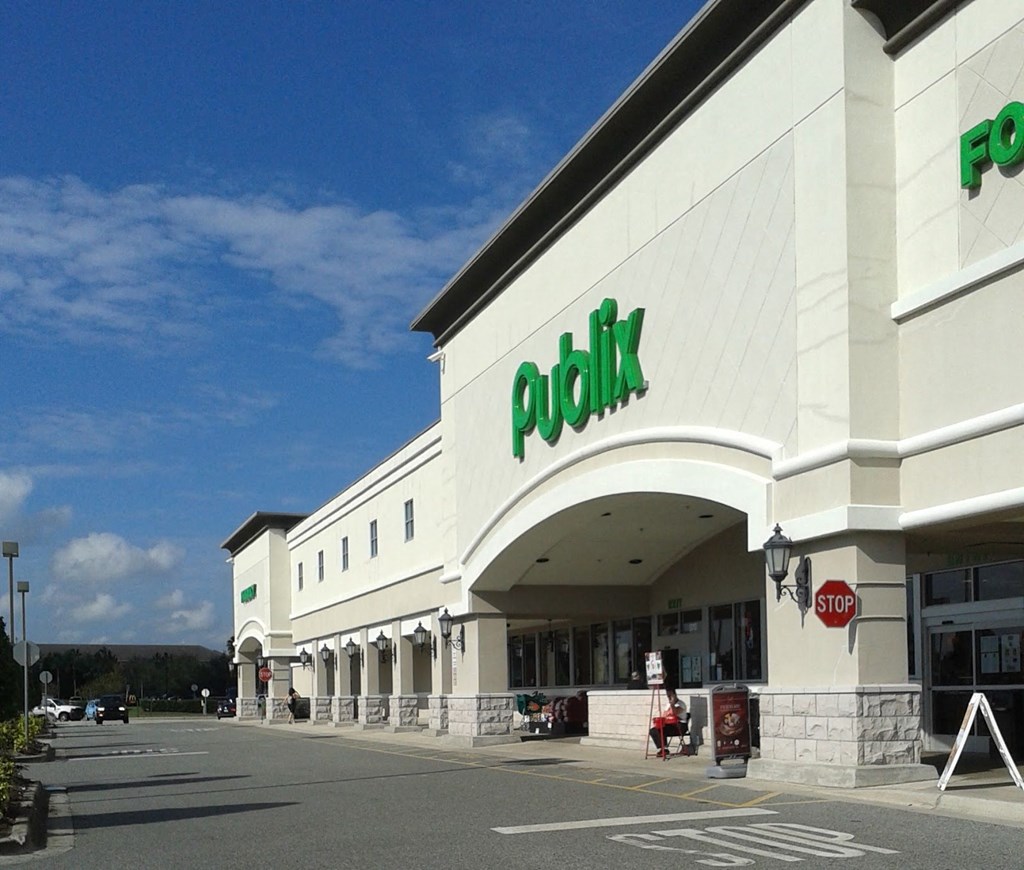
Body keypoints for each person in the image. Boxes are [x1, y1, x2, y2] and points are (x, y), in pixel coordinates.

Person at [649, 686, 688, 758]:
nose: (669, 697)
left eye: (670, 695)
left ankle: (664, 749)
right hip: (669, 724)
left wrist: (672, 704)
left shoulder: (681, 704)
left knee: (662, 729)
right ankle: (663, 748)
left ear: (675, 695)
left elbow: (674, 713)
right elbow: (664, 715)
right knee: (653, 730)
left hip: (679, 726)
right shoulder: (668, 705)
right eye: (668, 696)